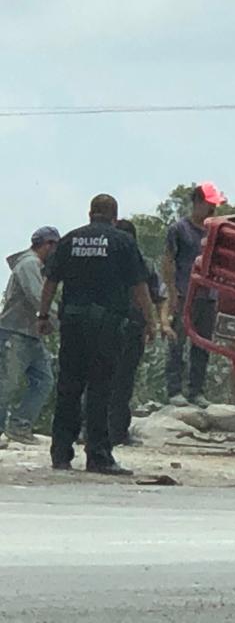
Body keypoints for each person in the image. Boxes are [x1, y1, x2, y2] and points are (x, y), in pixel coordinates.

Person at [38, 194, 155, 475]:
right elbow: (140, 286)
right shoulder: (122, 242)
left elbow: (50, 282)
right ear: (115, 217)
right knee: (101, 389)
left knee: (68, 387)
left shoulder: (69, 240)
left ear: (90, 213)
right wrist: (150, 321)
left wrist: (43, 316)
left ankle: (61, 453)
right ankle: (98, 455)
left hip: (73, 323)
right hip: (106, 326)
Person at [108, 219, 174, 446]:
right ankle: (109, 432)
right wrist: (153, 323)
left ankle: (110, 431)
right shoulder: (137, 263)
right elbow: (158, 295)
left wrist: (157, 323)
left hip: (124, 327)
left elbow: (159, 294)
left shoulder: (142, 264)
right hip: (122, 326)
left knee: (114, 380)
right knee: (115, 380)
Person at [163, 182, 225, 408]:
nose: (212, 209)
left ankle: (196, 390)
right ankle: (174, 389)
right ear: (197, 203)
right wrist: (171, 291)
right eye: (209, 204)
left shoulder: (215, 232)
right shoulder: (179, 229)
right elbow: (168, 260)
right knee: (177, 342)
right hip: (185, 292)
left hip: (209, 294)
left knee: (203, 345)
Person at [0, 227, 60, 445]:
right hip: (15, 332)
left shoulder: (35, 266)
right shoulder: (29, 265)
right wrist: (58, 318)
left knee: (44, 380)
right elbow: (37, 296)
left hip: (29, 333)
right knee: (7, 384)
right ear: (48, 245)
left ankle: (19, 425)